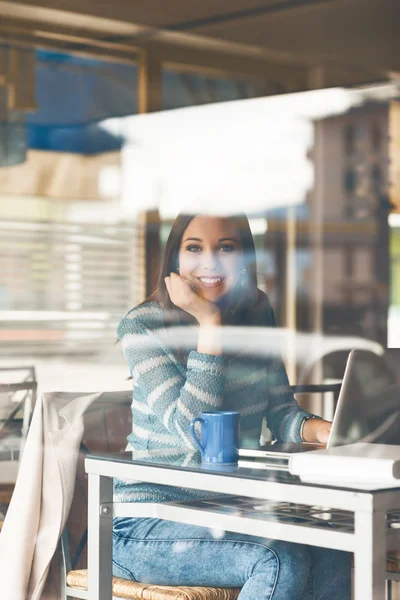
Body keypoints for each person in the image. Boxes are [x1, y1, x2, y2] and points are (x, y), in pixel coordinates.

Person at [113, 213, 351, 599]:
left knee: (332, 547)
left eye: (226, 248)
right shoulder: (142, 326)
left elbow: (281, 412)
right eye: (194, 248)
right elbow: (194, 434)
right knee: (277, 559)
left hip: (228, 509)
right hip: (148, 521)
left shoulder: (257, 312)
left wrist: (326, 429)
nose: (211, 261)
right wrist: (211, 326)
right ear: (175, 258)